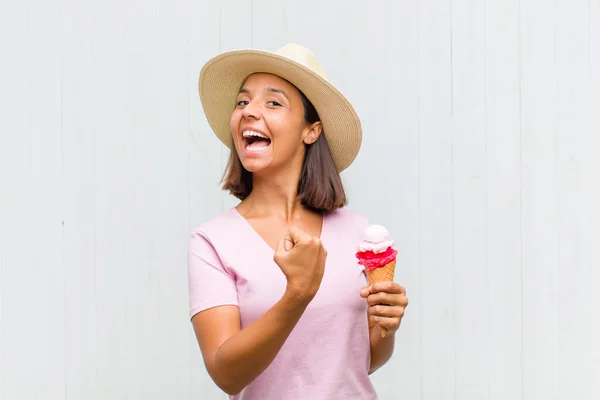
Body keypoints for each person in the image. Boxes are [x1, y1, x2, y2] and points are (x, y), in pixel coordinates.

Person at [188, 43, 409, 400]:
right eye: (242, 102)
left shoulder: (358, 232)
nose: (248, 112)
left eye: (272, 102)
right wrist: (297, 295)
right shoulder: (213, 241)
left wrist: (386, 326)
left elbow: (363, 361)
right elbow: (226, 375)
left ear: (312, 130)